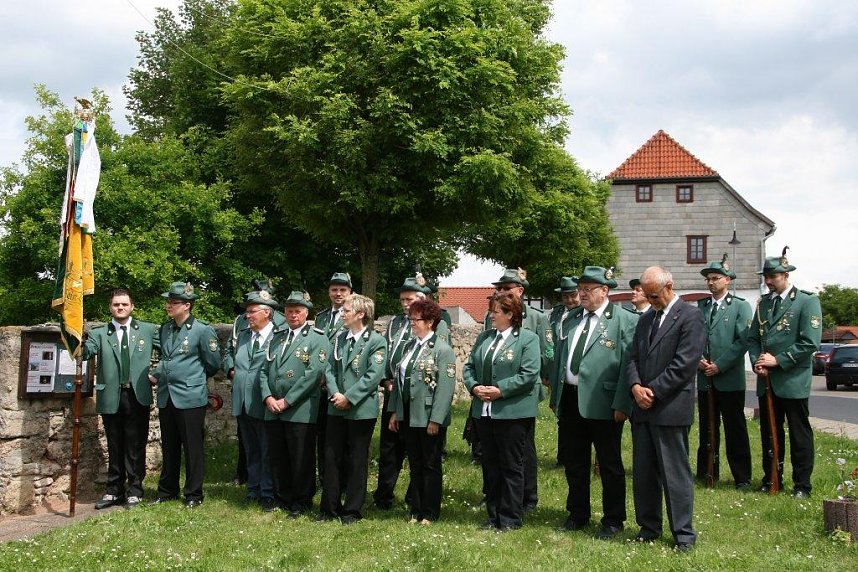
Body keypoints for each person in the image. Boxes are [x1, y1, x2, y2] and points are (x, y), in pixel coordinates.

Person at [551, 267, 637, 539]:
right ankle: (577, 513)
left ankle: (613, 519)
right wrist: (556, 395)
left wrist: (623, 402)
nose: (582, 294)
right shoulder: (572, 318)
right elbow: (560, 359)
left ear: (605, 290)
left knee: (610, 464)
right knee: (575, 462)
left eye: (589, 289)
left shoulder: (622, 319)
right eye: (581, 288)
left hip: (605, 401)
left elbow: (629, 364)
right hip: (571, 398)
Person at [627, 267, 705, 551]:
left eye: (654, 295)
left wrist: (654, 391)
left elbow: (684, 364)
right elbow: (632, 356)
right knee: (644, 473)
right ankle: (649, 527)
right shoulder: (646, 318)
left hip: (670, 407)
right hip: (643, 408)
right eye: (647, 295)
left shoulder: (691, 317)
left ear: (669, 286)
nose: (650, 299)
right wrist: (635, 386)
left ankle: (683, 534)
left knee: (674, 474)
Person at [748, 250, 822, 498]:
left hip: (792, 380)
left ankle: (802, 485)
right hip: (766, 381)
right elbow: (753, 339)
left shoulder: (806, 301)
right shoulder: (763, 304)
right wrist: (758, 361)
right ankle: (771, 478)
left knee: (799, 434)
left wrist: (777, 361)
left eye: (772, 277)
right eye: (766, 277)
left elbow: (809, 342)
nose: (768, 282)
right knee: (769, 433)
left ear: (785, 275)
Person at [464, 292, 540, 531]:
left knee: (511, 465)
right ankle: (493, 515)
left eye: (496, 312)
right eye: (491, 311)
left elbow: (528, 374)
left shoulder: (527, 339)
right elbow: (469, 366)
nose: (491, 315)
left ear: (510, 314)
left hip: (512, 413)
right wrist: (475, 386)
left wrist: (500, 390)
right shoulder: (485, 337)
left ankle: (510, 518)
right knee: (490, 464)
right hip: (485, 411)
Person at [84, 288, 159, 509]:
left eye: (124, 304)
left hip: (137, 394)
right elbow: (85, 351)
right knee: (114, 443)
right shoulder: (99, 333)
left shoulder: (147, 330)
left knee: (136, 444)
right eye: (116, 304)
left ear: (131, 307)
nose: (120, 308)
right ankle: (113, 490)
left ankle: (135, 490)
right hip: (111, 395)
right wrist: (72, 337)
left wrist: (158, 373)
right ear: (110, 307)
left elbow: (169, 350)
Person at [149, 281, 222, 507]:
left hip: (190, 396)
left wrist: (193, 380)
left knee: (193, 448)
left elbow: (212, 363)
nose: (168, 306)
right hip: (167, 395)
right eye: (168, 301)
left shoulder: (202, 330)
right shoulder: (165, 329)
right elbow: (165, 358)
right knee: (169, 447)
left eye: (173, 302)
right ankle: (166, 491)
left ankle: (193, 494)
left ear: (187, 305)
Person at [485, 268, 551, 513]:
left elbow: (546, 351)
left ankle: (527, 496)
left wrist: (541, 378)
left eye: (506, 288)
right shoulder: (492, 312)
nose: (501, 292)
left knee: (523, 449)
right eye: (499, 288)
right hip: (493, 391)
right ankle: (496, 495)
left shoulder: (536, 317)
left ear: (519, 290)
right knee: (493, 450)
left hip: (523, 389)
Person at [260, 291, 331, 516]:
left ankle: (301, 501)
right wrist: (268, 397)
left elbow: (313, 374)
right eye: (289, 311)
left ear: (306, 313)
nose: (293, 315)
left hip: (299, 409)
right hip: (273, 408)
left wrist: (287, 401)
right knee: (278, 455)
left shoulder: (317, 337)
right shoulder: (277, 336)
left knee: (301, 457)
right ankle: (282, 497)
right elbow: (263, 370)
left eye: (297, 311)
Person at [318, 294, 386, 524]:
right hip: (336, 406)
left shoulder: (376, 341)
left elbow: (373, 375)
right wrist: (336, 393)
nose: (342, 313)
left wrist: (349, 397)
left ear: (360, 314)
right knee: (331, 456)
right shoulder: (339, 338)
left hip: (360, 411)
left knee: (357, 459)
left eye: (346, 310)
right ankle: (329, 508)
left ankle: (352, 510)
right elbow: (329, 367)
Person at [388, 298, 456, 523]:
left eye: (415, 320)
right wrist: (397, 411)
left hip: (428, 416)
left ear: (429, 322)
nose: (411, 324)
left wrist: (436, 419)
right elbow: (400, 382)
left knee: (430, 464)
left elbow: (445, 389)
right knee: (415, 464)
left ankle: (430, 511)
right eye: (410, 319)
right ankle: (415, 509)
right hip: (409, 413)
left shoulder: (442, 349)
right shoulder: (410, 346)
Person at [695, 257, 753, 490]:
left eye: (715, 278)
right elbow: (694, 337)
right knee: (707, 428)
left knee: (734, 428)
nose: (711, 282)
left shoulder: (740, 306)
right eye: (708, 279)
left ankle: (742, 477)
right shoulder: (702, 306)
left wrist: (720, 365)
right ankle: (706, 472)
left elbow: (742, 341)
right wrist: (698, 360)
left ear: (727, 280)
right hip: (704, 377)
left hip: (729, 379)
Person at [224, 278, 286, 486]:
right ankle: (253, 487)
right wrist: (231, 370)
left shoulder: (279, 335)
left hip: (264, 400)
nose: (247, 316)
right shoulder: (243, 335)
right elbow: (230, 352)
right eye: (247, 312)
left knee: (266, 448)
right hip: (242, 400)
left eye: (252, 312)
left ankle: (268, 490)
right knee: (250, 448)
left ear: (267, 312)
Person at [374, 274, 427, 509]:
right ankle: (384, 495)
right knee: (389, 447)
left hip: (415, 397)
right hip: (392, 392)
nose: (406, 304)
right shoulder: (395, 322)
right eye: (403, 300)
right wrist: (385, 380)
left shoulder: (435, 321)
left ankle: (415, 496)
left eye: (410, 299)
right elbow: (385, 353)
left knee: (416, 449)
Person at [312, 272, 352, 485]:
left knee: (341, 437)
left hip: (340, 383)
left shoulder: (354, 315)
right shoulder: (321, 317)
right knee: (321, 433)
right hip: (318, 384)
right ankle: (324, 477)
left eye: (343, 290)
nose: (338, 294)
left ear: (350, 292)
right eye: (334, 289)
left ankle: (342, 479)